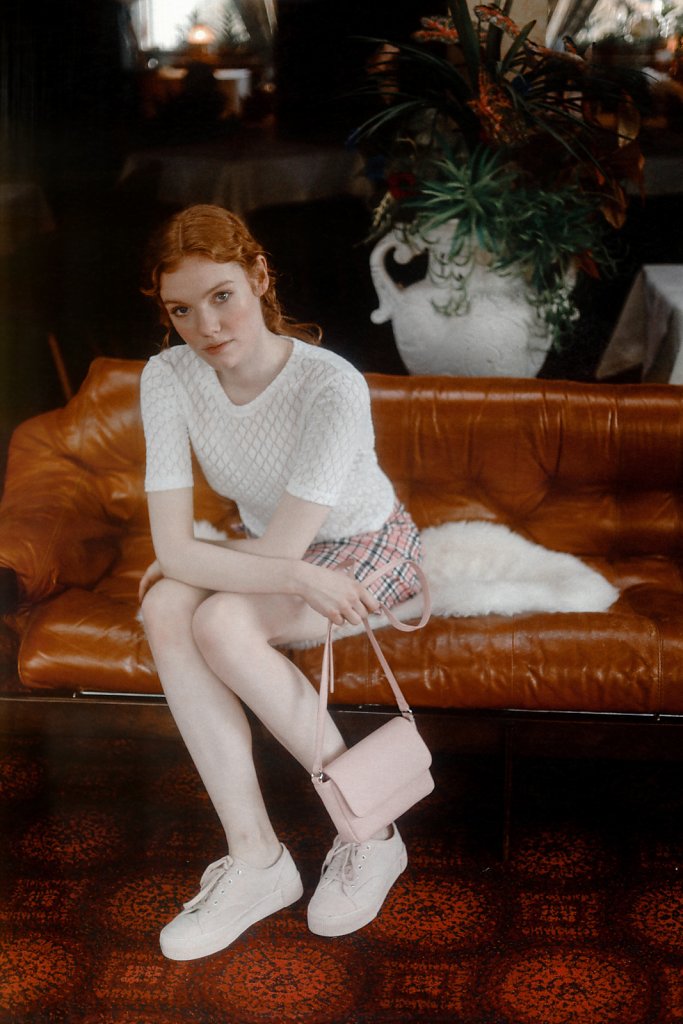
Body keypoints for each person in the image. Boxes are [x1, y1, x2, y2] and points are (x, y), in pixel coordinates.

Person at [137, 203, 423, 961]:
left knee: (220, 622)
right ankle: (257, 860)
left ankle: (372, 833)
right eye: (181, 310)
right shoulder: (167, 377)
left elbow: (252, 548)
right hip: (277, 554)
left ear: (259, 277)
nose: (206, 326)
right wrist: (217, 564)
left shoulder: (330, 385)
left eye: (221, 295)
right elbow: (179, 552)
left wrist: (203, 560)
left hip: (364, 544)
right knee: (165, 605)